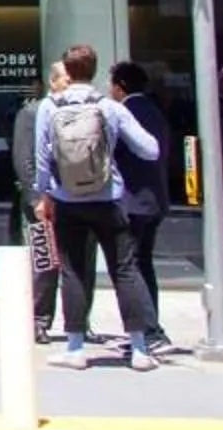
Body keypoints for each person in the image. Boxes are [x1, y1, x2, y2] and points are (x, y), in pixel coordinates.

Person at [35, 44, 162, 371]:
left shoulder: (49, 107)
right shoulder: (109, 107)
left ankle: (75, 348)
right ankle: (138, 348)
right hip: (108, 198)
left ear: (66, 68)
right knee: (124, 269)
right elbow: (150, 150)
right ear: (94, 69)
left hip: (67, 201)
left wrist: (44, 194)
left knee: (73, 271)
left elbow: (42, 161)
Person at [109, 61, 174, 350]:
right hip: (154, 199)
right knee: (143, 264)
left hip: (133, 200)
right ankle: (148, 328)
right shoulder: (155, 110)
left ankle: (150, 330)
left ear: (120, 85)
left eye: (112, 84)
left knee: (130, 266)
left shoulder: (127, 113)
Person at [10, 61, 73, 342]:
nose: (71, 88)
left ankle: (78, 321)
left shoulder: (80, 111)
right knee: (44, 261)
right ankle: (38, 319)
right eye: (66, 81)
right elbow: (24, 159)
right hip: (43, 199)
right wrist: (35, 196)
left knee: (77, 262)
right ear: (53, 83)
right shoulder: (32, 113)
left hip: (76, 198)